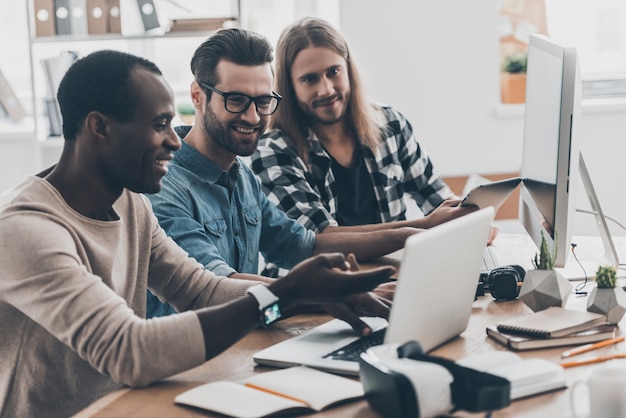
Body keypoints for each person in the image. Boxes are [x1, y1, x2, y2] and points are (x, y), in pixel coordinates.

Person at [0, 49, 396, 418]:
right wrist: (284, 293)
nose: (175, 141)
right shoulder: (25, 229)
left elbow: (201, 292)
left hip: (128, 404)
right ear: (99, 127)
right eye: (159, 125)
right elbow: (130, 350)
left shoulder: (130, 203)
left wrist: (309, 293)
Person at [145, 28, 428, 317]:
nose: (253, 117)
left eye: (263, 101)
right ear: (197, 96)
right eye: (236, 100)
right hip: (193, 359)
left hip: (245, 343)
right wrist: (325, 295)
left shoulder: (242, 175)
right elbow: (214, 289)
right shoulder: (162, 185)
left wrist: (411, 232)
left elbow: (303, 245)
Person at [249, 17, 491, 240]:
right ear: (289, 86)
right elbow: (320, 238)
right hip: (317, 286)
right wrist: (425, 225)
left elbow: (435, 196)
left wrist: (469, 221)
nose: (326, 90)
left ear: (348, 69)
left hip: (393, 275)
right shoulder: (274, 150)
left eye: (333, 72)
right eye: (310, 79)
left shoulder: (390, 124)